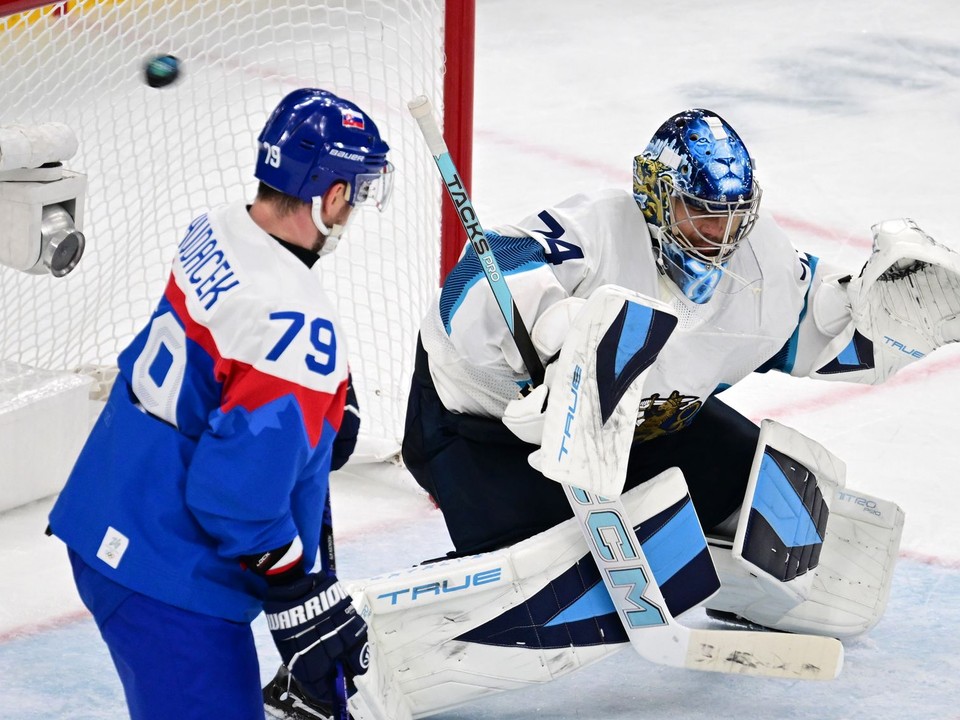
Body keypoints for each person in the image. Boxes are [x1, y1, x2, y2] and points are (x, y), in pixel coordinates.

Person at [402, 107, 959, 572]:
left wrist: (886, 317)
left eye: (732, 217)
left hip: (641, 432)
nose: (720, 237)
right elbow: (479, 276)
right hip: (483, 432)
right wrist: (556, 340)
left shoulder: (760, 265)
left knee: (780, 497)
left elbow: (820, 331)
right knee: (538, 564)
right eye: (701, 214)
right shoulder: (600, 228)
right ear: (655, 196)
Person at [47, 88, 393, 720]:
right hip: (164, 573)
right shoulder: (296, 324)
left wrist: (321, 415)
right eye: (357, 193)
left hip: (105, 510)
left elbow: (226, 366)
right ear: (333, 195)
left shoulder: (217, 226)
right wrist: (296, 594)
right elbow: (234, 497)